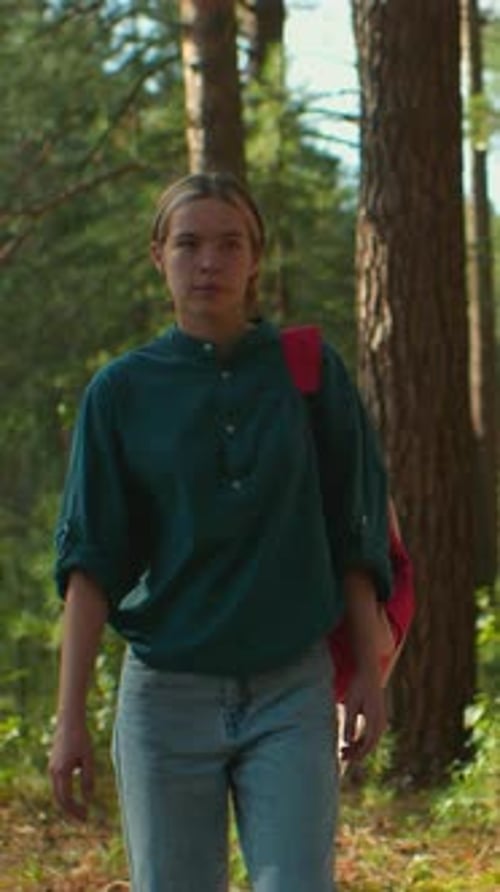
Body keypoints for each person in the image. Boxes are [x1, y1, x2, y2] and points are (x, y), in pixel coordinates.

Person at [49, 171, 391, 892]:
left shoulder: (307, 372)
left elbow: (351, 531)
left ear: (256, 257)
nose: (210, 261)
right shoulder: (120, 393)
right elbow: (91, 566)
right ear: (158, 256)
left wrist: (367, 669)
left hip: (291, 690)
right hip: (166, 697)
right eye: (189, 243)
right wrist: (68, 718)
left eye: (230, 243)